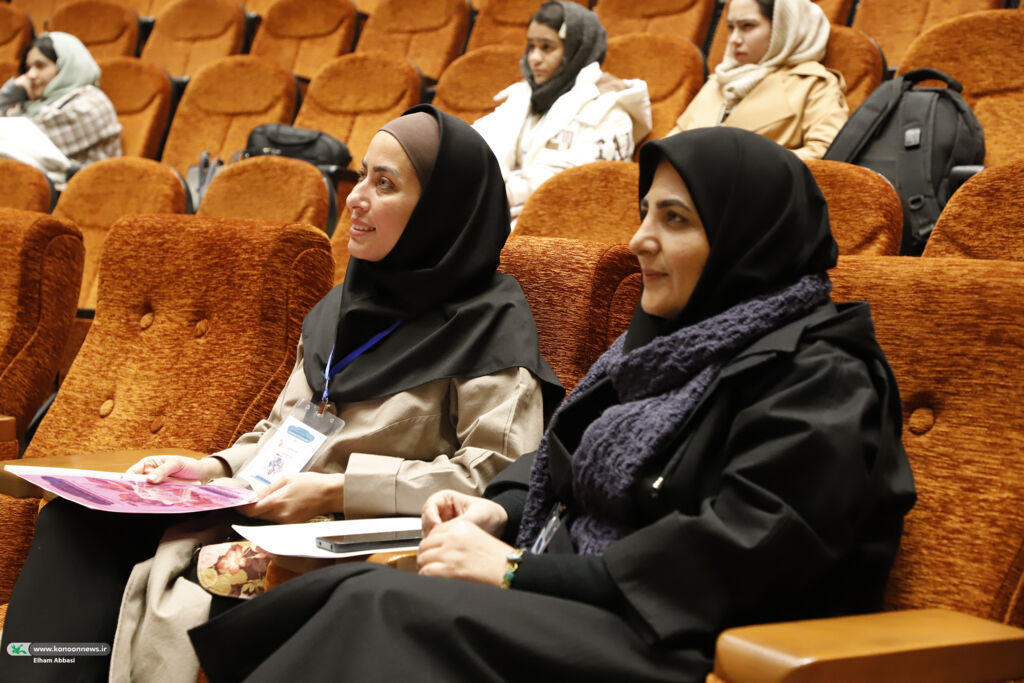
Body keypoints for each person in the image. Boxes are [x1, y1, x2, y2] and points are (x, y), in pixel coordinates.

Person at [187, 127, 917, 683]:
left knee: (377, 605)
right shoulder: (667, 342)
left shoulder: (822, 373)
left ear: (746, 240)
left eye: (675, 220)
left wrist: (517, 571)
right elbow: (561, 453)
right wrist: (498, 509)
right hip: (582, 600)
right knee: (337, 592)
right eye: (645, 214)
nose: (640, 240)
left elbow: (739, 552)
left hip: (682, 640)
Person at [0, 105, 563, 683]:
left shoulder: (490, 324)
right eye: (362, 175)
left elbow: (497, 476)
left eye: (385, 184)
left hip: (349, 541)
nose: (356, 198)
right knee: (76, 521)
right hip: (264, 508)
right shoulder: (340, 308)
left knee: (192, 577)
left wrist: (338, 489)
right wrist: (210, 467)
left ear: (440, 210)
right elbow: (281, 431)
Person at [473, 0, 652, 221]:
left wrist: (505, 194)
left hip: (564, 225)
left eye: (547, 47)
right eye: (531, 46)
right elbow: (476, 145)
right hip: (507, 215)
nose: (534, 58)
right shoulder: (524, 97)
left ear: (576, 50)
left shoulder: (610, 110)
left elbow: (575, 181)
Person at [669, 0, 848, 161]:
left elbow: (825, 156)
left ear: (782, 28)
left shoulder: (814, 83)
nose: (733, 39)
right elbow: (670, 146)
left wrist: (746, 165)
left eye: (747, 26)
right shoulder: (718, 80)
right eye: (731, 27)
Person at [0, 32, 121, 180]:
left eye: (40, 66)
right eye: (27, 68)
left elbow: (21, 145)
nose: (30, 75)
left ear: (66, 66)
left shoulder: (91, 103)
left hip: (88, 188)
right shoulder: (30, 105)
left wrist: (5, 98)